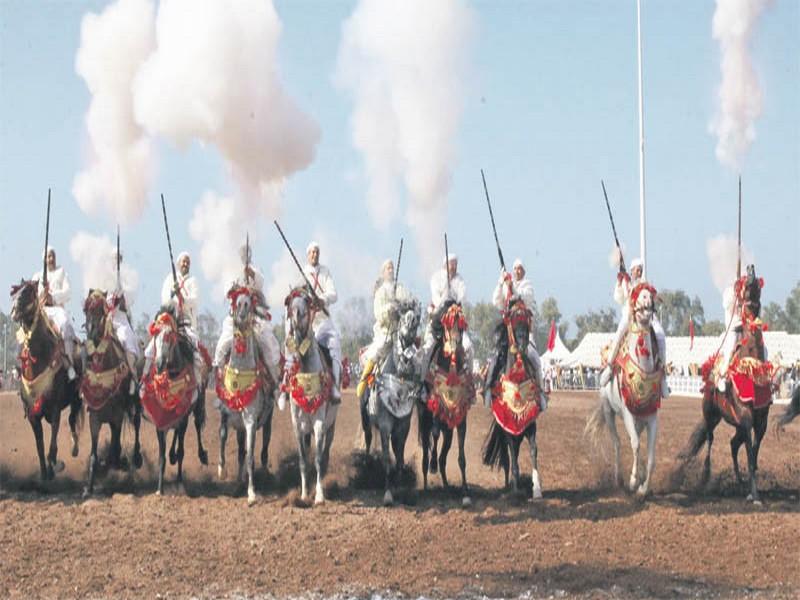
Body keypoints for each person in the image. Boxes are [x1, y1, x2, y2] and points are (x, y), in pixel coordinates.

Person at [279, 241, 342, 408]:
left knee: (335, 342)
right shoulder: (302, 274)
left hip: (323, 322)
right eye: (312, 252)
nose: (315, 255)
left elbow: (334, 294)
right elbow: (295, 297)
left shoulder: (325, 272)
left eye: (317, 252)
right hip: (307, 325)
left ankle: (335, 386)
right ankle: (285, 386)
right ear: (308, 255)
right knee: (290, 344)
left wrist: (323, 299)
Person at [213, 244, 281, 389]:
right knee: (222, 344)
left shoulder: (256, 270)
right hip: (235, 318)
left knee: (269, 342)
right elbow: (227, 290)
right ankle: (219, 379)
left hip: (254, 317)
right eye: (243, 253)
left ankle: (275, 382)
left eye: (247, 253)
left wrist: (251, 275)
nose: (245, 255)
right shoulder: (232, 271)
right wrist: (236, 287)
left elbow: (260, 282)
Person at [600, 257, 668, 397]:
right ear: (631, 271)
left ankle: (662, 377)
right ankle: (609, 366)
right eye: (637, 270)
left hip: (647, 316)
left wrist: (656, 296)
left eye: (641, 270)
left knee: (660, 335)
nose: (639, 272)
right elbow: (618, 299)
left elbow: (653, 297)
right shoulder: (626, 282)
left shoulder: (645, 285)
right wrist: (620, 282)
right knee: (619, 334)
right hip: (629, 316)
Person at [489, 258, 547, 410]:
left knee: (535, 360)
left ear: (524, 271)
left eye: (520, 269)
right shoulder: (508, 284)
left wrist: (511, 286)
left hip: (524, 332)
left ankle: (540, 394)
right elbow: (496, 301)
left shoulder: (527, 285)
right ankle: (489, 391)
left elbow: (523, 297)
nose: (517, 271)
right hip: (508, 333)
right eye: (515, 269)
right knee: (495, 358)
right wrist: (501, 282)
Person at [356, 259, 413, 397]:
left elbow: (409, 302)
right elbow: (378, 314)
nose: (391, 269)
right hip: (385, 332)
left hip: (401, 333)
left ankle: (418, 388)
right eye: (388, 268)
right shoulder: (380, 292)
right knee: (377, 351)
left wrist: (404, 305)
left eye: (392, 267)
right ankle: (364, 381)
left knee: (415, 355)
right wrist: (390, 308)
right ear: (383, 272)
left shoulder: (400, 288)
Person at [422, 253, 474, 372]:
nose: (454, 267)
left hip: (455, 317)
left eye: (455, 264)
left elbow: (463, 296)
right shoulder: (437, 278)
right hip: (439, 318)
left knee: (469, 347)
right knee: (428, 347)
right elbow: (436, 298)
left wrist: (455, 299)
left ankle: (469, 377)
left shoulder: (459, 279)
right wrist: (446, 290)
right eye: (451, 264)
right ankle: (421, 380)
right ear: (445, 265)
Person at [32, 246, 78, 380]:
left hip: (57, 309)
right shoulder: (37, 276)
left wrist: (53, 296)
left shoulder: (61, 272)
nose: (51, 259)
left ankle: (69, 364)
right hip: (42, 310)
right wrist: (42, 293)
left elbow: (68, 292)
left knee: (66, 326)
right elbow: (33, 295)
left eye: (53, 256)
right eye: (48, 256)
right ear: (44, 260)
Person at [106, 250, 140, 393]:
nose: (116, 261)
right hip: (105, 318)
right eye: (114, 258)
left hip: (120, 319)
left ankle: (132, 376)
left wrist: (123, 294)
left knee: (127, 339)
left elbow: (131, 297)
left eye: (119, 258)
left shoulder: (126, 277)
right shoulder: (104, 276)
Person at [160, 251, 199, 330]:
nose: (186, 264)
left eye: (188, 263)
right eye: (184, 262)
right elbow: (165, 297)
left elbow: (195, 300)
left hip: (187, 320)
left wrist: (182, 298)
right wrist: (173, 293)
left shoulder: (193, 281)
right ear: (179, 263)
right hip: (171, 316)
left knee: (192, 338)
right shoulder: (170, 278)